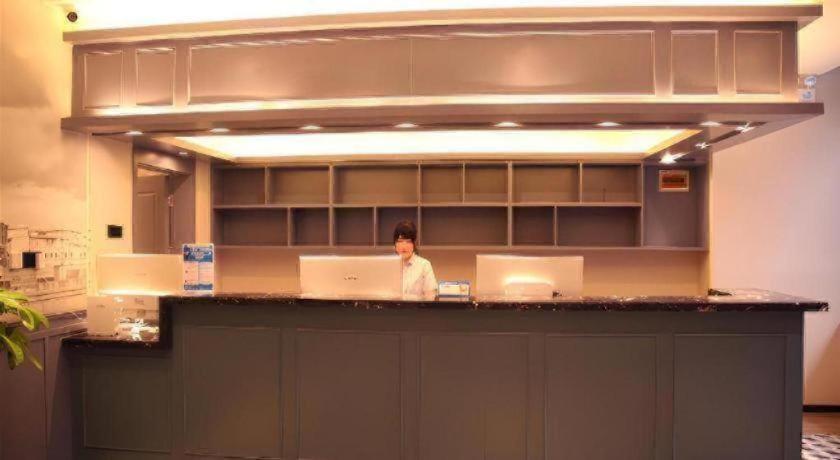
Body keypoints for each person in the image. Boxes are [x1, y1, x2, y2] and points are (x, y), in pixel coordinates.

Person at [393, 220, 437, 296]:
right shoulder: (389, 266)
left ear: (414, 244)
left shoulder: (424, 265)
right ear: (395, 244)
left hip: (416, 304)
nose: (404, 246)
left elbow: (431, 295)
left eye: (408, 241)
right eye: (400, 241)